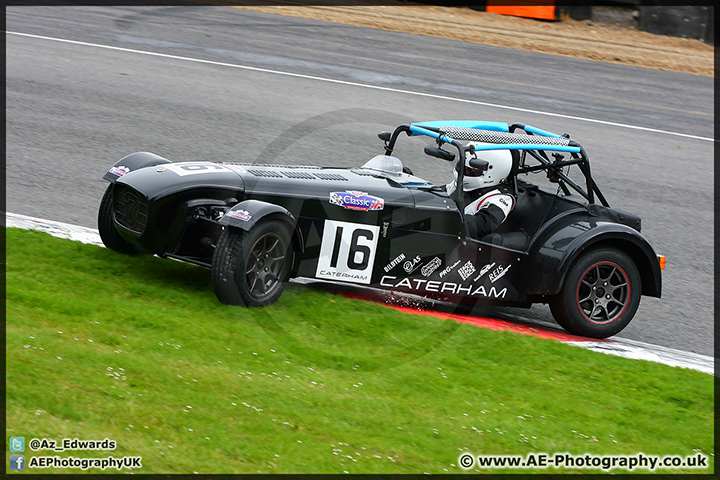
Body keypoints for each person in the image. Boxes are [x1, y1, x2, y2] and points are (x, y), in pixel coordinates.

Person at [446, 145, 516, 238]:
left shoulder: (501, 198)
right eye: (462, 167)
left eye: (470, 170)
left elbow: (482, 225)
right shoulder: (462, 184)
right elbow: (438, 194)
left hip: (466, 245)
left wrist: (444, 219)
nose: (464, 172)